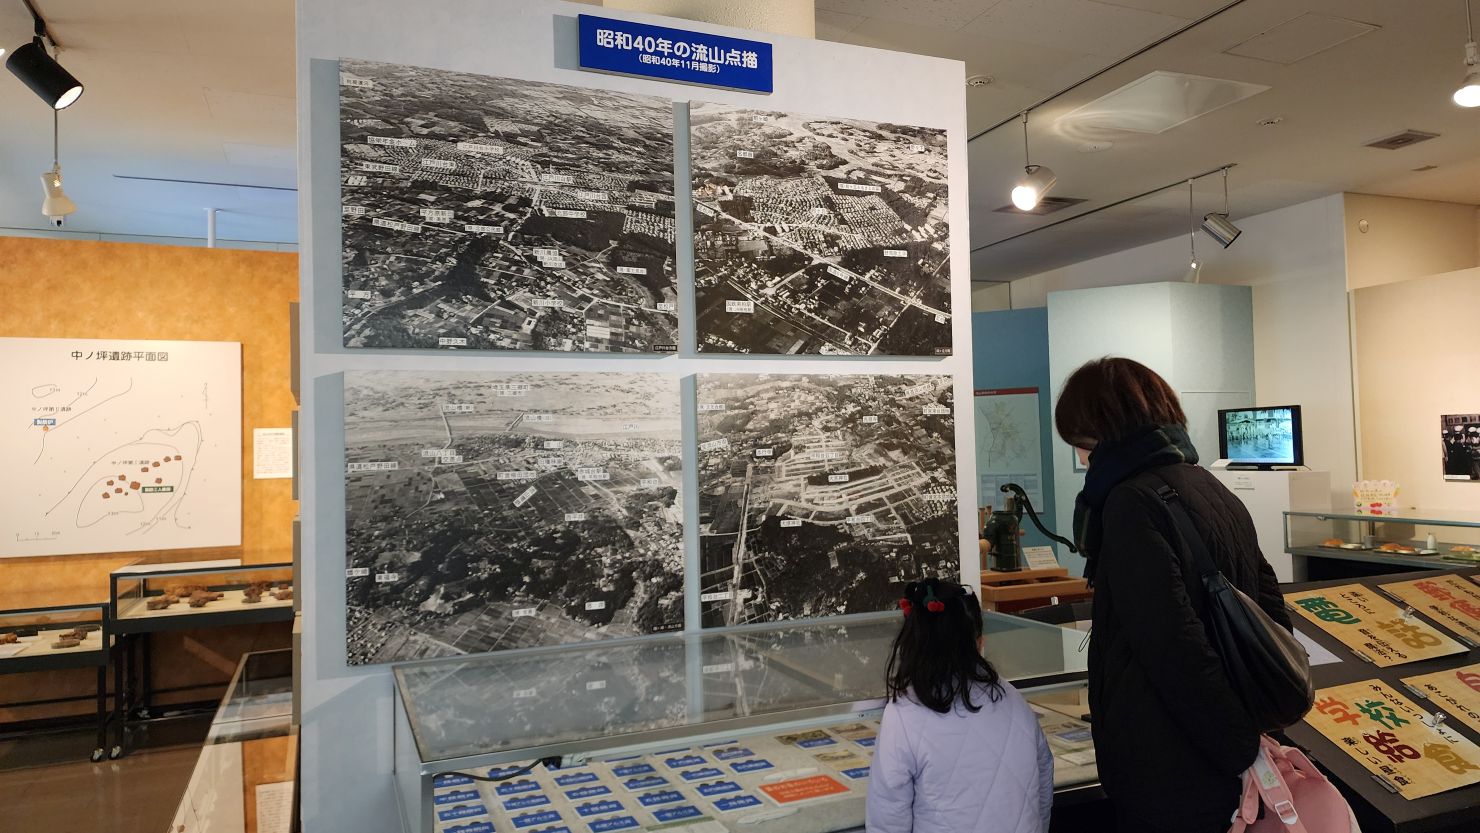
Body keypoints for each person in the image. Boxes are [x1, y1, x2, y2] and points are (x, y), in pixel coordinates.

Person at [1055, 357, 1292, 833]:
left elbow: (1172, 646)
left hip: (1172, 760)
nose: (1081, 458)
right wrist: (1252, 732)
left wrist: (1236, 747)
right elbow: (1270, 608)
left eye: (1082, 441)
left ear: (1105, 429)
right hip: (1224, 749)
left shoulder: (1130, 502)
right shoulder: (1209, 486)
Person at [866, 578, 1054, 833]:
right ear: (978, 642)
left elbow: (888, 818)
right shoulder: (1010, 696)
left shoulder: (904, 713)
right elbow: (1043, 778)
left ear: (911, 643)